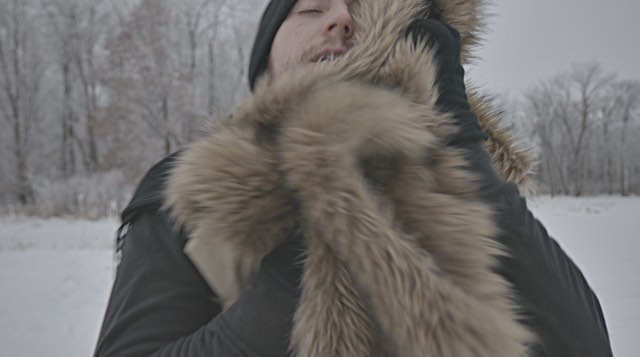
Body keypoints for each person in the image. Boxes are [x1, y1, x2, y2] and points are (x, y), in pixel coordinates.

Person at [94, 0, 613, 356]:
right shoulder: (194, 190)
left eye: (363, 9)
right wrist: (314, 240)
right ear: (266, 62)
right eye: (312, 8)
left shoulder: (458, 187)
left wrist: (468, 166)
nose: (342, 19)